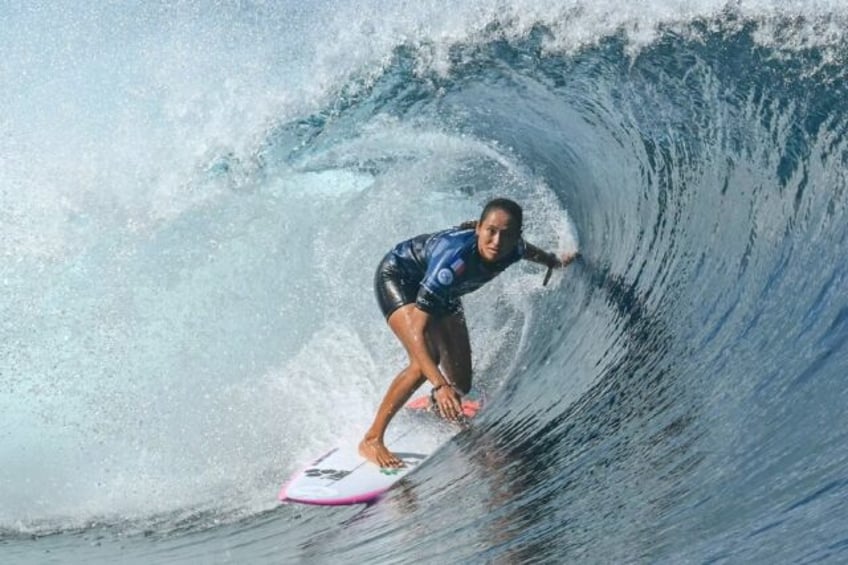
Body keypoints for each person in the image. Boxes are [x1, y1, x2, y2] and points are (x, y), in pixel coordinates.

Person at [360, 197, 579, 468]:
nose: (497, 241)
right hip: (400, 277)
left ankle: (436, 405)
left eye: (506, 234)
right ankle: (372, 439)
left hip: (443, 292)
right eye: (491, 231)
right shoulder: (452, 264)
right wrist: (439, 385)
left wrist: (553, 261)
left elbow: (527, 250)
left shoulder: (513, 247)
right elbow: (417, 331)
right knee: (423, 362)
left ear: (516, 236)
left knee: (461, 384)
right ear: (479, 228)